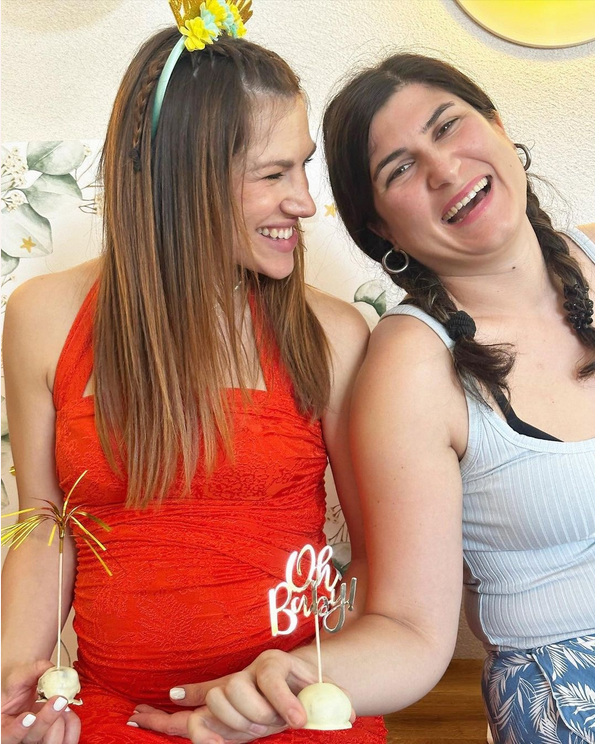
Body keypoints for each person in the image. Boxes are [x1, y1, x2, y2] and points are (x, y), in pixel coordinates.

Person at [145, 54, 595, 744]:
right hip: (568, 689)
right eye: (400, 169)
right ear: (380, 229)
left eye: (448, 126)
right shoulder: (412, 365)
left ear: (499, 127)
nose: (443, 169)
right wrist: (293, 679)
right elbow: (410, 630)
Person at [0, 8, 388, 743]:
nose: (305, 202)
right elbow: (45, 520)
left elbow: (378, 563)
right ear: (182, 178)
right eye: (273, 173)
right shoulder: (43, 318)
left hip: (290, 710)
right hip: (112, 714)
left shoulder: (333, 335)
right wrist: (18, 675)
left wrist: (304, 691)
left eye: (302, 165)